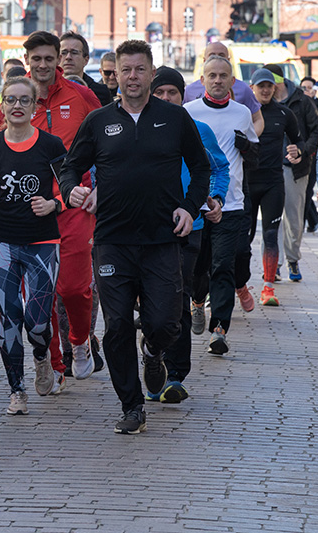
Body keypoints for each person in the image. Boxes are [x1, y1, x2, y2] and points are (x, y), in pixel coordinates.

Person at [61, 39, 210, 434]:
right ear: (117, 74)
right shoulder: (98, 122)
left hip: (162, 239)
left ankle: (154, 351)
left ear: (151, 72)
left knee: (165, 322)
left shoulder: (174, 119)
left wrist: (189, 208)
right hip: (112, 239)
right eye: (125, 69)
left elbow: (200, 169)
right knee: (117, 326)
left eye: (139, 69)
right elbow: (70, 167)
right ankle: (131, 406)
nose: (132, 77)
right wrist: (71, 189)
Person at [0, 31, 101, 388]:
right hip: (27, 211)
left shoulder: (81, 96)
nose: (42, 65)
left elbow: (107, 143)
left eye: (48, 59)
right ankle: (52, 363)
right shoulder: (13, 98)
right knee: (40, 295)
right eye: (35, 59)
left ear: (59, 60)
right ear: (27, 60)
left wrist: (98, 187)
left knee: (72, 288)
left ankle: (80, 341)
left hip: (72, 204)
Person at [0, 76, 65, 414]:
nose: (17, 106)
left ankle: (42, 355)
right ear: (2, 106)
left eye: (25, 100)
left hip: (42, 242)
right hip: (1, 242)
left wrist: (53, 204)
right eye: (11, 100)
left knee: (36, 322)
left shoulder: (51, 146)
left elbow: (70, 189)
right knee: (9, 317)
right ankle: (16, 391)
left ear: (36, 107)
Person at [150, 67, 229, 403]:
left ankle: (175, 374)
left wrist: (216, 197)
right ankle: (152, 356)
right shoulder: (137, 130)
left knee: (177, 299)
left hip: (189, 227)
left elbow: (218, 167)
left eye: (173, 93)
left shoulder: (198, 130)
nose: (167, 99)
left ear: (183, 96)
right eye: (161, 93)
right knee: (150, 306)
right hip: (142, 228)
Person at [184, 55, 258, 356]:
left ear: (232, 81)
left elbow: (254, 154)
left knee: (223, 266)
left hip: (231, 204)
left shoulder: (242, 112)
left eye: (223, 75)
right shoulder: (188, 112)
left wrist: (246, 146)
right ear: (202, 80)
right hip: (197, 205)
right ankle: (198, 302)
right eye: (211, 75)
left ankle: (220, 329)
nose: (217, 80)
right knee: (199, 267)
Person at [231, 69, 302, 308]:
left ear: (275, 88)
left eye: (269, 86)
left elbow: (298, 139)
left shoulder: (284, 113)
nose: (265, 90)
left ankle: (268, 288)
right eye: (260, 86)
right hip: (247, 183)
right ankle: (236, 285)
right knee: (243, 239)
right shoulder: (243, 113)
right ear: (252, 88)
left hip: (273, 182)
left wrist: (297, 151)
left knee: (271, 235)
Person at [265, 66, 318, 283]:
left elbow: (317, 129)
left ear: (278, 82)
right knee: (271, 219)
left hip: (295, 169)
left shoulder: (301, 100)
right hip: (268, 168)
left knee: (294, 218)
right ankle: (273, 265)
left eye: (269, 84)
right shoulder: (259, 104)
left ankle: (292, 259)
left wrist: (302, 150)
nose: (266, 89)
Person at [183, 41, 264, 136]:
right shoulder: (190, 91)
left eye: (221, 55)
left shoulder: (244, 89)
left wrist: (247, 139)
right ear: (204, 60)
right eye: (212, 55)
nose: (217, 81)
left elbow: (258, 119)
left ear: (229, 60)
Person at [300, 77, 318, 232]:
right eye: (303, 88)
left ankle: (309, 221)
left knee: (307, 190)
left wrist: (312, 102)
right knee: (301, 193)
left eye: (309, 88)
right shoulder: (298, 105)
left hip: (314, 155)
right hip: (300, 154)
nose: (306, 91)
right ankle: (314, 219)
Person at [59, 32, 112, 105]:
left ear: (86, 60)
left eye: (74, 53)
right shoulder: (47, 89)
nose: (68, 57)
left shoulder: (100, 92)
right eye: (64, 52)